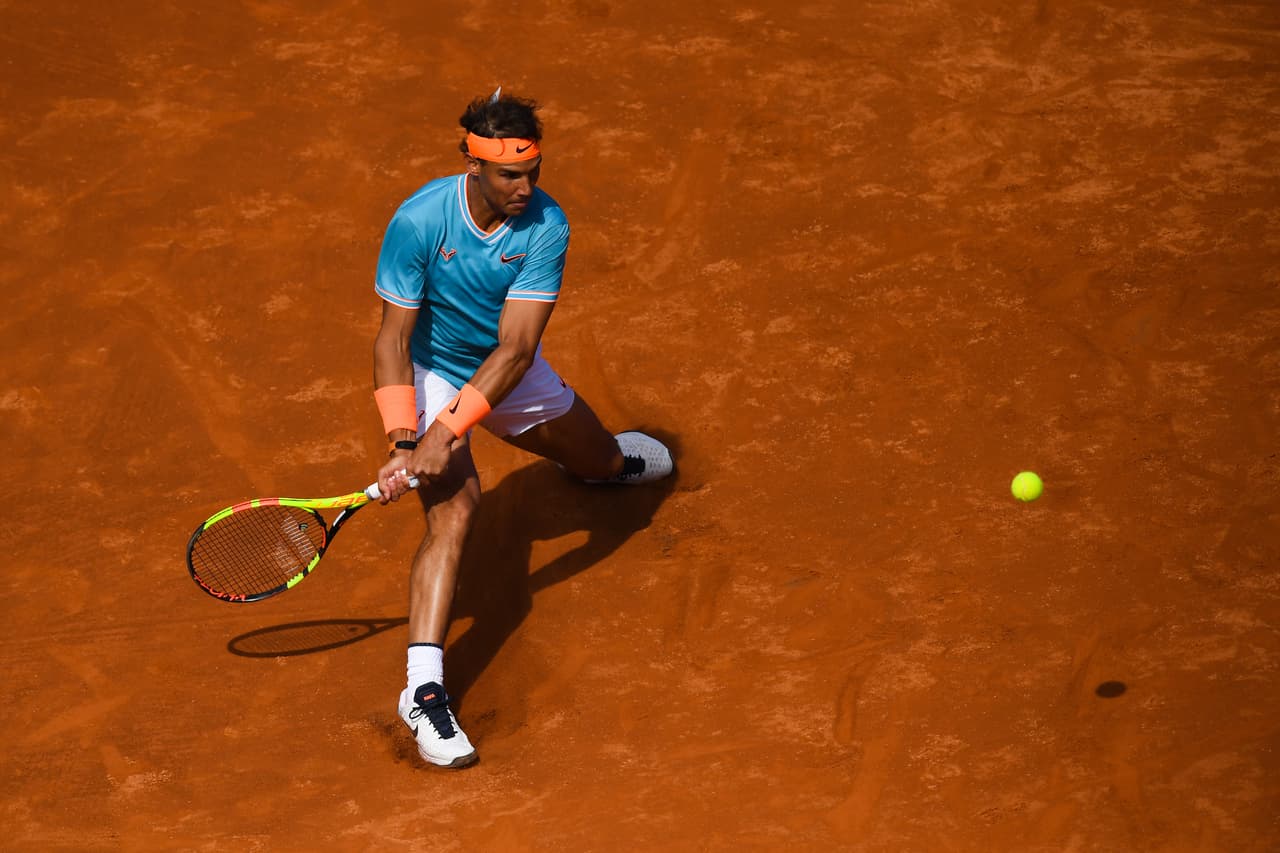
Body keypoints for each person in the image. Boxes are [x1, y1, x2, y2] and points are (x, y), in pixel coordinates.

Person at [370, 90, 673, 768]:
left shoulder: (546, 226)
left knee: (602, 461)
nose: (526, 187)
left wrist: (443, 434)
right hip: (437, 370)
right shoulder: (419, 220)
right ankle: (424, 693)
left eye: (533, 171)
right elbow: (393, 338)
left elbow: (516, 351)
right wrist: (402, 436)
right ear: (474, 165)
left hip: (505, 371)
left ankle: (605, 464)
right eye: (510, 174)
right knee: (455, 513)